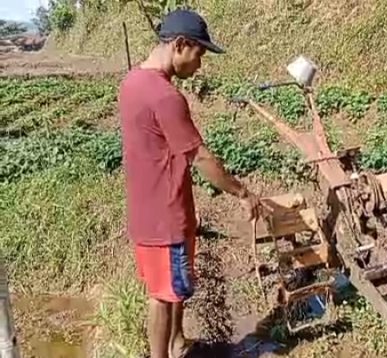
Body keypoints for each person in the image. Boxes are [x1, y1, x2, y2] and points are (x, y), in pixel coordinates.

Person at [117, 9, 260, 358]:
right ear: (180, 45)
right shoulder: (166, 97)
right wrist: (243, 192)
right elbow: (202, 158)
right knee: (163, 295)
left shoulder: (131, 82)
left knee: (170, 287)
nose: (200, 65)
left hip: (147, 209)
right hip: (165, 218)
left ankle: (178, 341)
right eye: (199, 54)